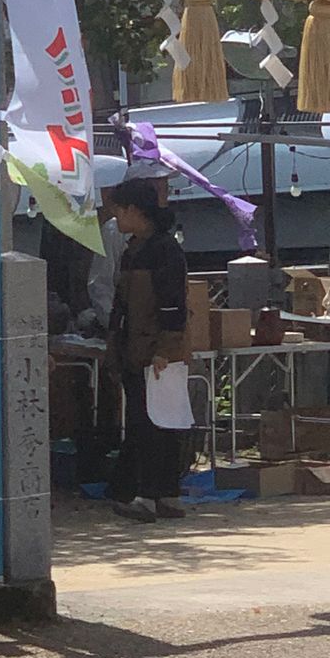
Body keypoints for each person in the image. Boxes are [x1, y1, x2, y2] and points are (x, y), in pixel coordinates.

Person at [104, 177, 190, 522]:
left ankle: (151, 496)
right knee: (152, 423)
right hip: (135, 349)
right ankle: (164, 495)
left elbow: (173, 307)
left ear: (135, 211)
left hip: (154, 353)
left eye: (119, 211)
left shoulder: (164, 250)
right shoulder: (133, 251)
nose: (117, 220)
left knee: (153, 425)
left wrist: (165, 350)